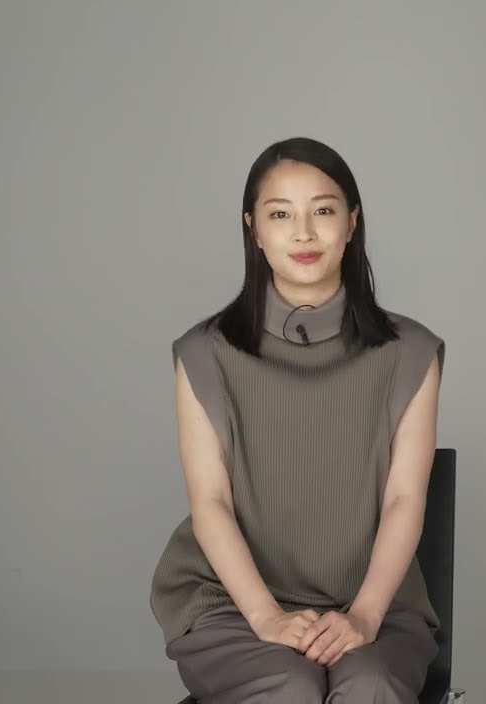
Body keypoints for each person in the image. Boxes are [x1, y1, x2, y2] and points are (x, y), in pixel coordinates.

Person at [149, 137, 445, 703]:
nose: (303, 233)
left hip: (375, 601)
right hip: (230, 601)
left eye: (323, 211)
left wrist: (364, 616)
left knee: (371, 684)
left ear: (352, 222)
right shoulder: (203, 352)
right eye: (281, 214)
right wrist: (265, 617)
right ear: (253, 229)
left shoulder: (411, 351)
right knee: (289, 685)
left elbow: (405, 498)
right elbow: (210, 502)